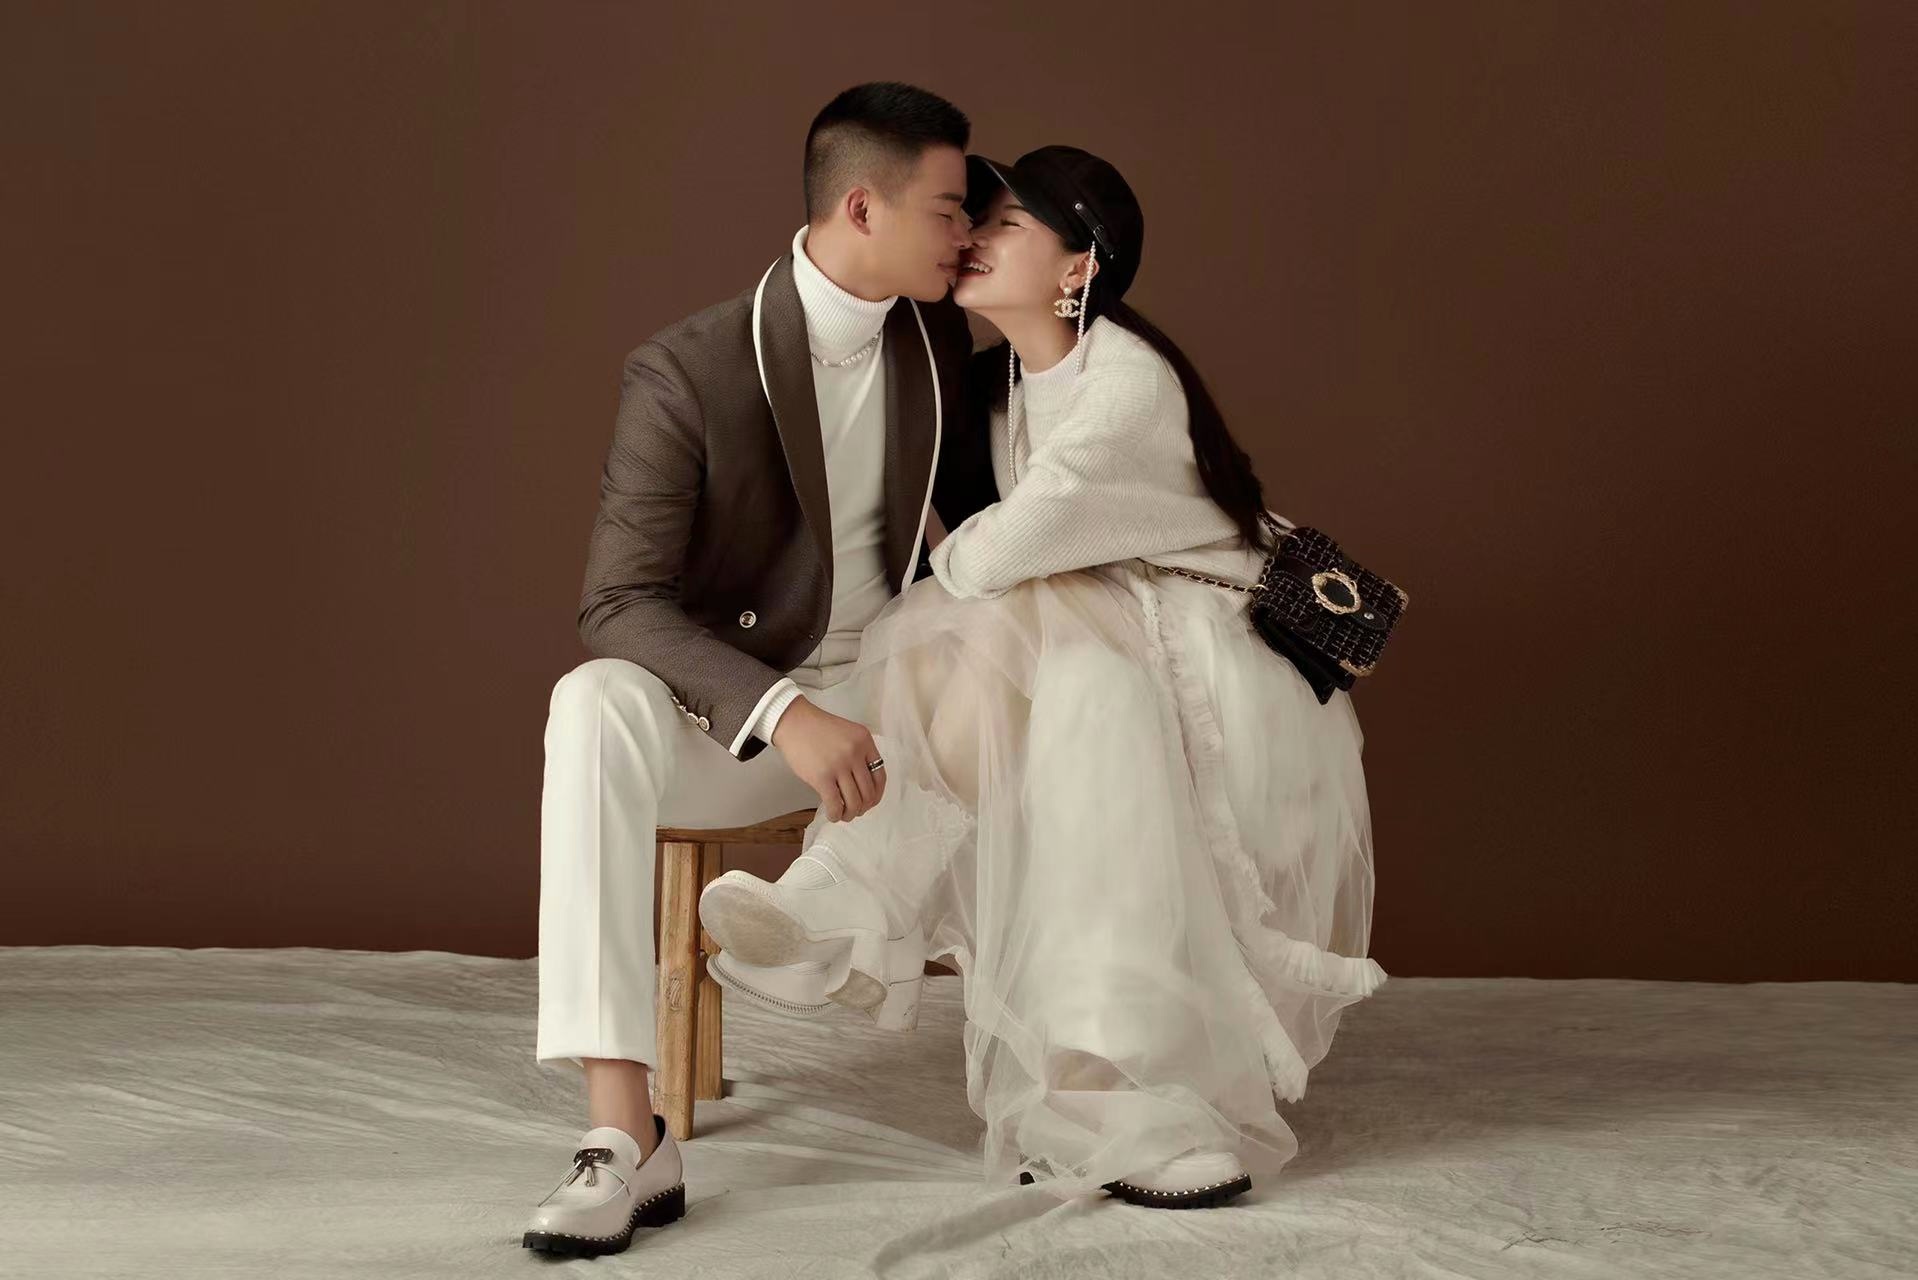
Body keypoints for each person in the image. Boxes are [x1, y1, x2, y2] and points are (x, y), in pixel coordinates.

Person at [699, 145, 1388, 1210]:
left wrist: (962, 570)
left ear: (1079, 266)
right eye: (974, 218)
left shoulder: (1128, 382)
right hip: (1085, 642)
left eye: (1008, 224)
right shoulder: (992, 385)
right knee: (1049, 677)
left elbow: (996, 554)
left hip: (1207, 656)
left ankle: (860, 901)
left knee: (1043, 663)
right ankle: (1077, 1087)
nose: (974, 237)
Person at [521, 82, 997, 1257]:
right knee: (589, 701)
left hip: (906, 709)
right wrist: (781, 711)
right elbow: (615, 601)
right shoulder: (686, 369)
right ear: (862, 208)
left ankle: (1081, 1077)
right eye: (947, 209)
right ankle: (624, 1133)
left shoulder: (939, 334)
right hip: (752, 722)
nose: (967, 233)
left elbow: (1003, 511)